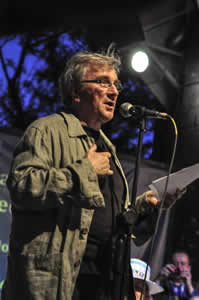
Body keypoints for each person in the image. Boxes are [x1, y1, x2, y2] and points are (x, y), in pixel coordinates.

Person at [1, 48, 182, 300]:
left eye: (116, 84)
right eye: (102, 81)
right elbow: (22, 187)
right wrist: (83, 171)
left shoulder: (109, 148)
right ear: (75, 92)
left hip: (102, 281)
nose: (115, 91)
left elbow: (112, 219)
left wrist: (146, 206)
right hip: (56, 284)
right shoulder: (46, 131)